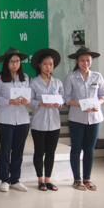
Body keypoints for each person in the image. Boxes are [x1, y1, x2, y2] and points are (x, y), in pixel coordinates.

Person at [63, 46, 104, 191]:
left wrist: (98, 104)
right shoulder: (71, 77)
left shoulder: (97, 76)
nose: (85, 63)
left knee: (89, 149)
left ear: (91, 61)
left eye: (88, 60)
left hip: (94, 118)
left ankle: (87, 179)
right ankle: (77, 179)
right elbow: (66, 98)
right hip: (76, 118)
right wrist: (81, 105)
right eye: (82, 60)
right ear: (77, 61)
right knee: (76, 148)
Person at [0, 47, 31, 193]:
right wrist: (9, 101)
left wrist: (27, 101)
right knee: (5, 150)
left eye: (17, 61)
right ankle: (4, 179)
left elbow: (28, 96)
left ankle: (15, 179)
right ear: (6, 63)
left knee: (18, 150)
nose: (15, 64)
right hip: (6, 119)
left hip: (22, 120)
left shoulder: (25, 77)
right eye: (11, 61)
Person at [29, 48, 64, 192]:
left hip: (54, 123)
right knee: (39, 151)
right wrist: (41, 103)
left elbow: (62, 99)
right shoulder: (34, 83)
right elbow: (29, 100)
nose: (48, 67)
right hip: (39, 122)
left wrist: (58, 104)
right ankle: (40, 179)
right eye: (45, 64)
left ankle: (48, 179)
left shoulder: (58, 82)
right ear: (39, 65)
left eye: (50, 64)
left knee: (51, 152)